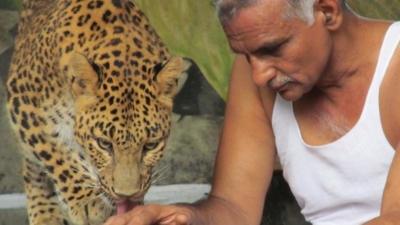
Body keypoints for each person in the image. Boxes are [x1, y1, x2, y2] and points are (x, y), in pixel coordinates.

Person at [104, 0, 400, 224]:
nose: (259, 75)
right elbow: (233, 207)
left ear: (327, 11)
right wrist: (181, 217)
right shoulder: (253, 77)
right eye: (247, 55)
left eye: (272, 49)